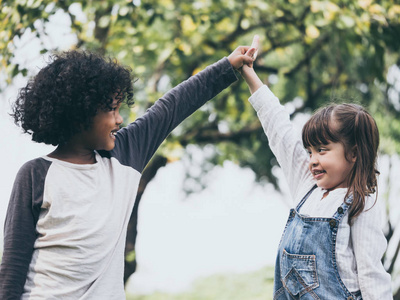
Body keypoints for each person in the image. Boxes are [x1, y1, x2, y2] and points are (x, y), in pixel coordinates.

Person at [0, 43, 257, 299]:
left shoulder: (125, 154)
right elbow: (12, 268)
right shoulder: (35, 175)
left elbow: (173, 106)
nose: (119, 119)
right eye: (112, 109)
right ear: (80, 115)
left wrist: (227, 66)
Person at [241, 36, 392, 299]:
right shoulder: (307, 186)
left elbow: (372, 279)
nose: (312, 159)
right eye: (310, 151)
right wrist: (249, 74)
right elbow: (279, 129)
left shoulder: (359, 204)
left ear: (354, 153)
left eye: (322, 150)